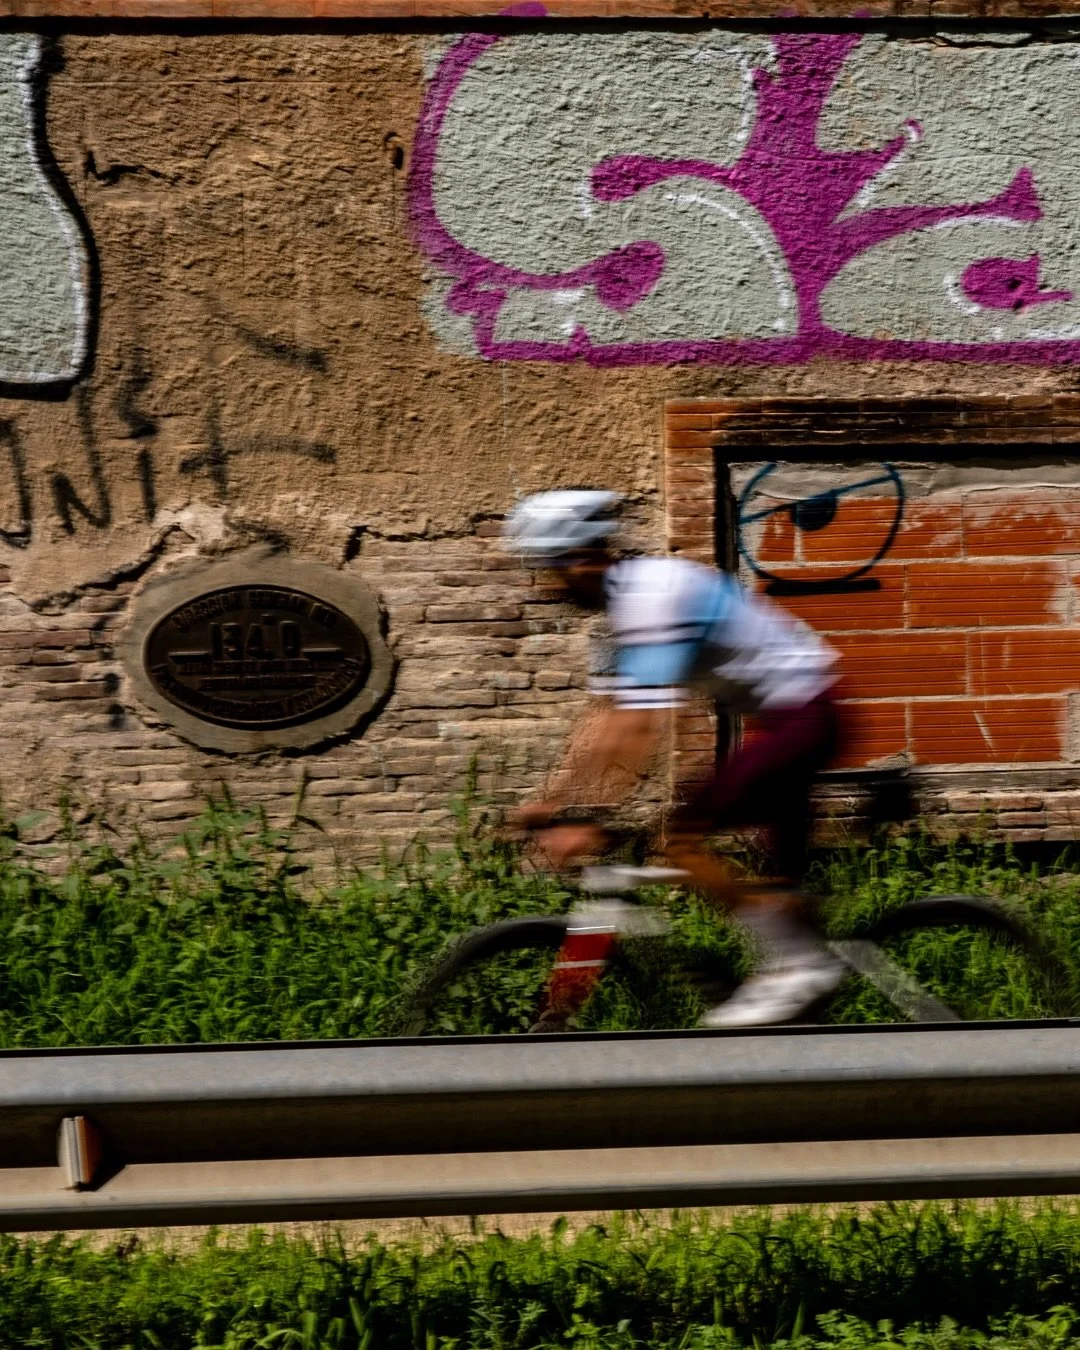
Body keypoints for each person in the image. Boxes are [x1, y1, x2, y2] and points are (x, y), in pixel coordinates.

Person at [506, 489, 848, 1027]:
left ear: (584, 558)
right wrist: (555, 801)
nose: (546, 585)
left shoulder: (653, 597)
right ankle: (805, 995)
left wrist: (585, 813)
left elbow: (641, 726)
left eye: (551, 570)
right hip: (787, 721)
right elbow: (602, 723)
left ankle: (798, 966)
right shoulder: (622, 616)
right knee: (777, 891)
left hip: (806, 718)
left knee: (681, 838)